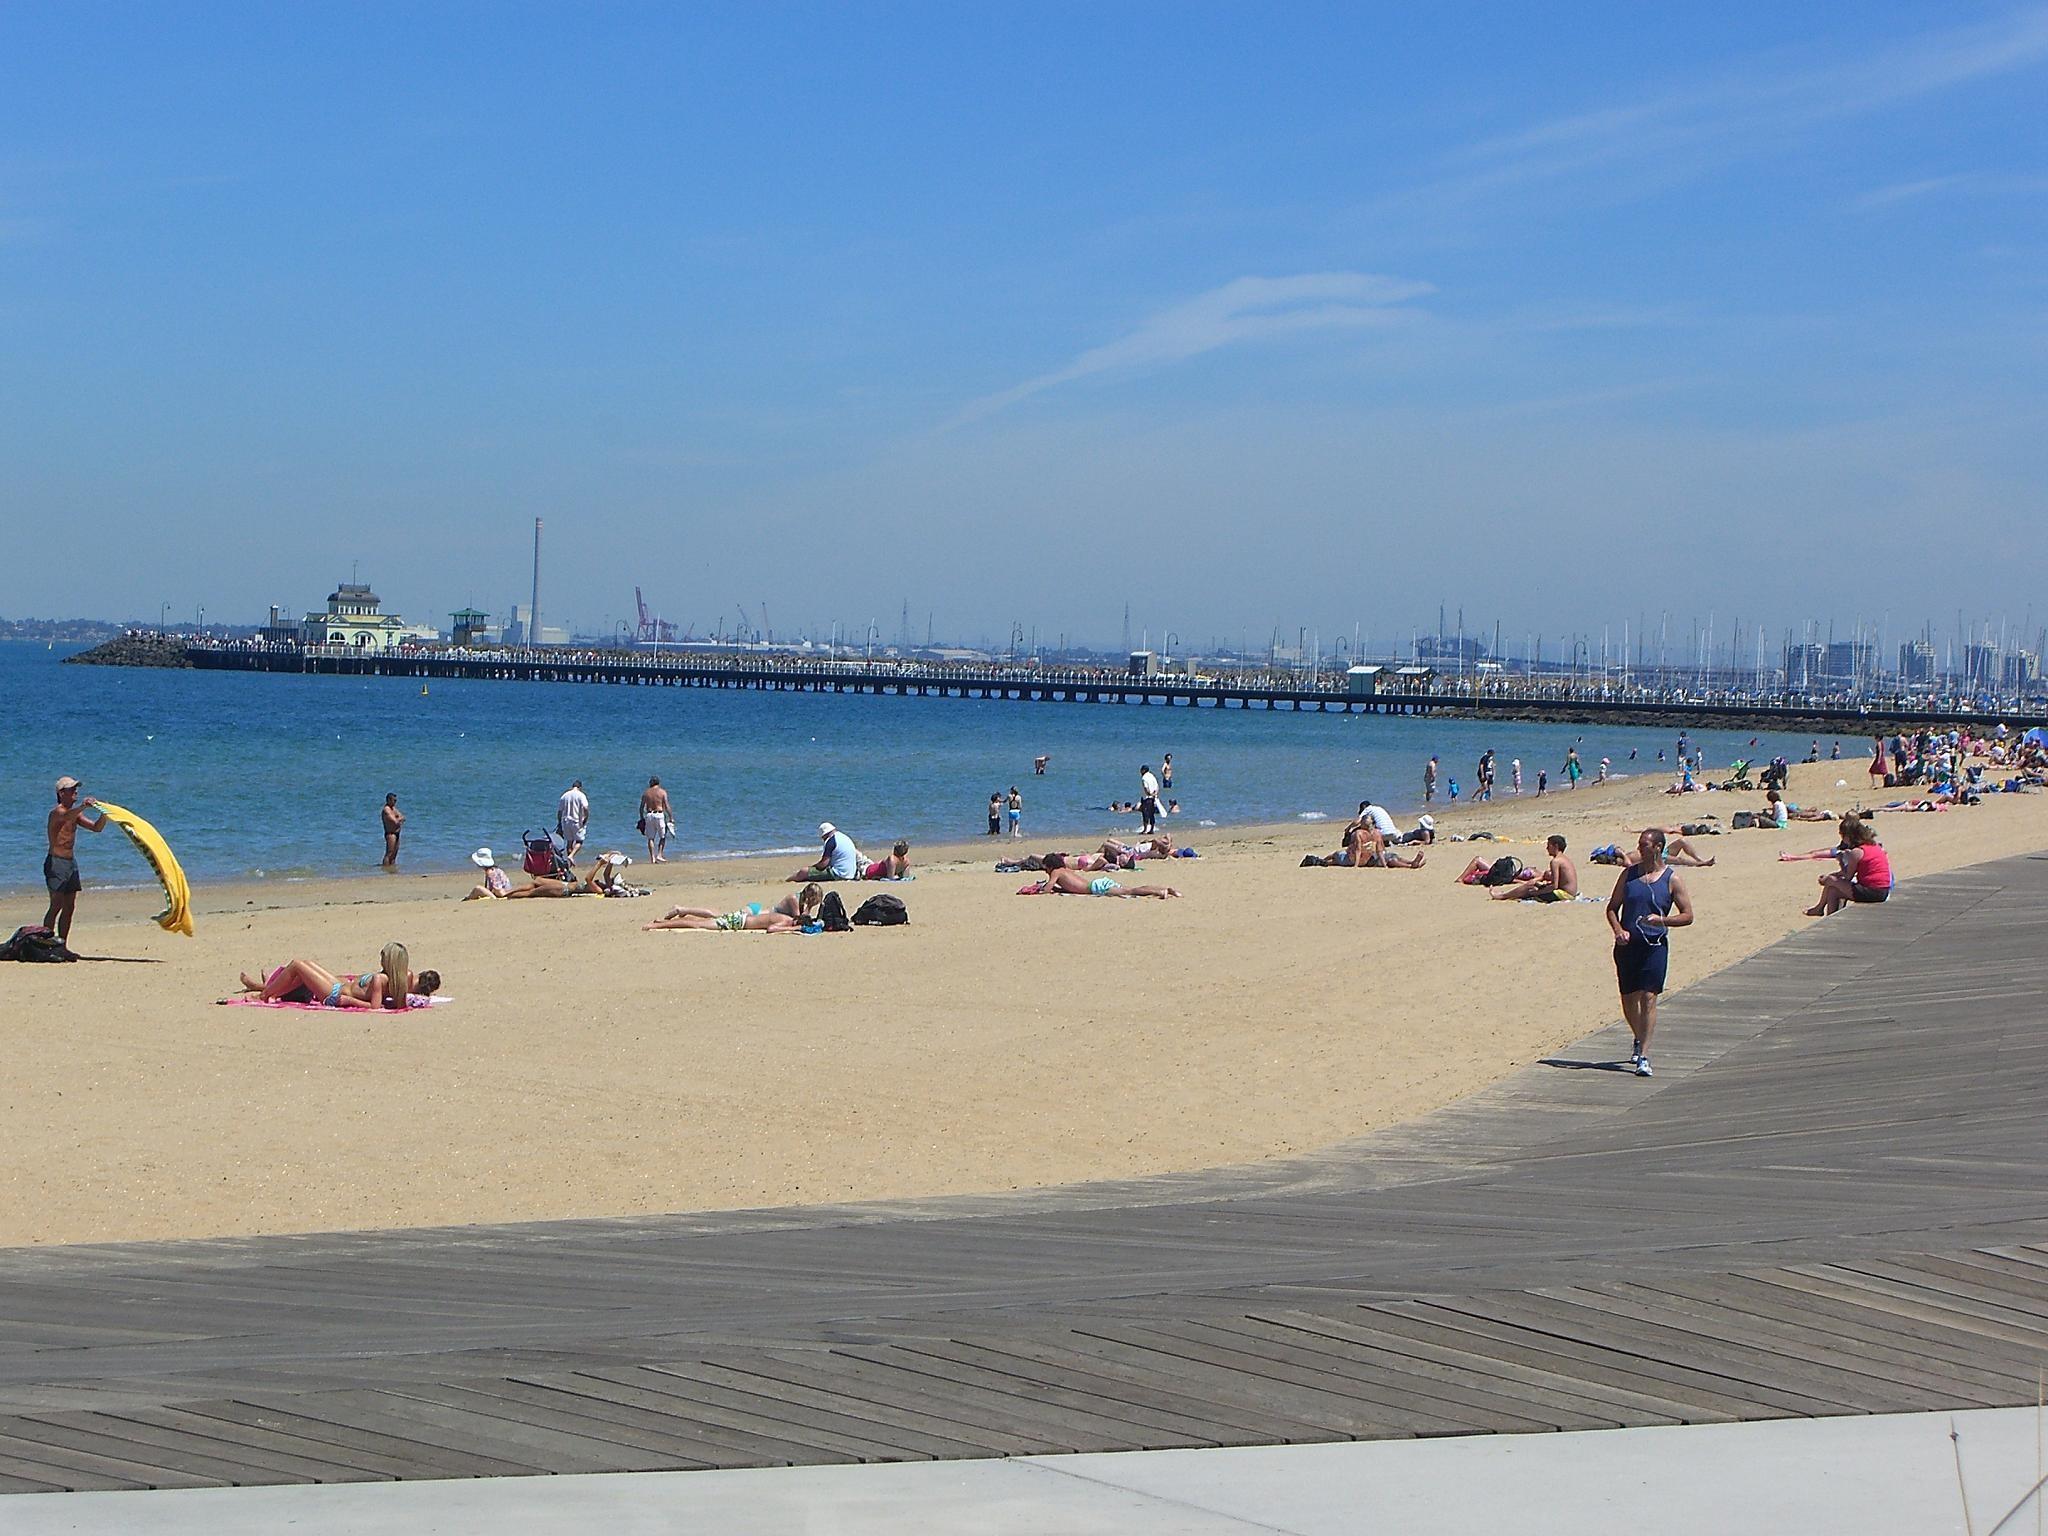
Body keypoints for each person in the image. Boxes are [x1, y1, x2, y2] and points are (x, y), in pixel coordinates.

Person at [1607, 828, 1694, 1077]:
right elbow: (1612, 908)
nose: (1640, 848)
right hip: (1627, 946)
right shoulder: (1629, 875)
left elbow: (1688, 916)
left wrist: (1662, 921)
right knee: (1628, 998)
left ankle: (1643, 1056)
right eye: (1639, 844)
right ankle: (1638, 1036)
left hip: (1654, 947)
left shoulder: (1671, 879)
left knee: (1649, 997)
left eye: (1644, 845)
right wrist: (1618, 930)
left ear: (1657, 847)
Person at [237, 942, 440, 1009]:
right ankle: (266, 989)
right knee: (305, 966)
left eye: (383, 957)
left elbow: (374, 1008)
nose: (380, 960)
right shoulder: (397, 977)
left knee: (297, 965)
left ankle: (263, 995)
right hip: (337, 986)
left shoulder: (380, 980)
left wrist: (348, 1000)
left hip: (334, 994)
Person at [44, 776, 107, 946]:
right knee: (56, 905)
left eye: (75, 789)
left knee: (69, 907)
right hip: (56, 863)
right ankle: (46, 943)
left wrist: (105, 813)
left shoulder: (75, 815)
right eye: (72, 790)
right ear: (61, 793)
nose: (75, 792)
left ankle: (62, 944)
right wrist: (84, 806)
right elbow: (66, 816)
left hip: (71, 863)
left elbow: (96, 828)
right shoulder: (57, 812)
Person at [1806, 818, 1893, 916]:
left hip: (1872, 892)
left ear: (1847, 837)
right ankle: (1828, 917)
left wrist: (1831, 876)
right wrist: (1834, 876)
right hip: (1883, 891)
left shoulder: (1857, 852)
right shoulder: (1874, 846)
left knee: (1831, 881)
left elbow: (1848, 877)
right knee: (1832, 891)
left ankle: (1819, 908)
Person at [1493, 835, 1578, 901]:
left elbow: (1554, 886)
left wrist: (1537, 892)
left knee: (1529, 889)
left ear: (1555, 846)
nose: (1547, 848)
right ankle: (1504, 895)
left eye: (1549, 846)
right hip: (1570, 893)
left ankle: (1502, 896)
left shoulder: (1555, 861)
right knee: (1533, 886)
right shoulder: (1564, 859)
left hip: (1564, 895)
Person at [1025, 867, 1180, 898]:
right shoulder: (1065, 870)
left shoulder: (1055, 872)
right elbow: (1072, 887)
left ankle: (1160, 892)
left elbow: (1047, 889)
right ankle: (1165, 889)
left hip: (1096, 887)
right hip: (1098, 883)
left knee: (1130, 891)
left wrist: (1040, 888)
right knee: (1131, 889)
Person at [645, 903, 802, 932]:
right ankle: (658, 925)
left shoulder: (784, 916)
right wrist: (793, 928)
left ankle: (662, 922)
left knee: (700, 922)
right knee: (696, 925)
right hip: (738, 922)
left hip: (740, 918)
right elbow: (771, 928)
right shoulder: (786, 920)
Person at [789, 822, 862, 881]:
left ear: (824, 835)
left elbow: (824, 864)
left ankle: (789, 880)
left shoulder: (831, 841)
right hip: (851, 873)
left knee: (803, 871)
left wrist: (813, 867)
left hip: (839, 874)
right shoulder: (844, 837)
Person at [639, 777, 673, 863]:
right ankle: (659, 854)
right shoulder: (662, 792)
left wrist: (641, 818)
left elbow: (641, 807)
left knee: (650, 838)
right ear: (658, 783)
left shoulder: (646, 793)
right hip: (659, 814)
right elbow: (667, 805)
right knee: (663, 836)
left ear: (651, 783)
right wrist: (671, 817)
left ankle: (652, 858)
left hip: (649, 815)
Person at [557, 779, 590, 862]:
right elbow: (585, 808)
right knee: (579, 841)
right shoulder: (581, 795)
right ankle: (571, 856)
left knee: (569, 842)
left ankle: (569, 863)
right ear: (580, 787)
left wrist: (559, 823)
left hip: (566, 821)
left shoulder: (564, 795)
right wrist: (585, 818)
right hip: (577, 821)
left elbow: (560, 811)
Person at [380, 793, 404, 869]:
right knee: (389, 853)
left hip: (397, 833)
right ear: (389, 800)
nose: (395, 802)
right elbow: (395, 821)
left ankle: (392, 868)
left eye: (396, 800)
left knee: (394, 854)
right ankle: (385, 868)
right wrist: (399, 819)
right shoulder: (386, 809)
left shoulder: (393, 809)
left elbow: (403, 817)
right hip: (390, 834)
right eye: (394, 800)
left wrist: (399, 818)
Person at [1138, 764, 1162, 835]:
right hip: (1153, 798)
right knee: (1151, 814)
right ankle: (1151, 829)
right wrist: (1155, 794)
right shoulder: (1152, 776)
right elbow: (1157, 786)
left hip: (1146, 798)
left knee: (1145, 814)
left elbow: (1146, 788)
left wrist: (1149, 794)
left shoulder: (1144, 778)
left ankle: (1145, 830)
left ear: (1143, 770)